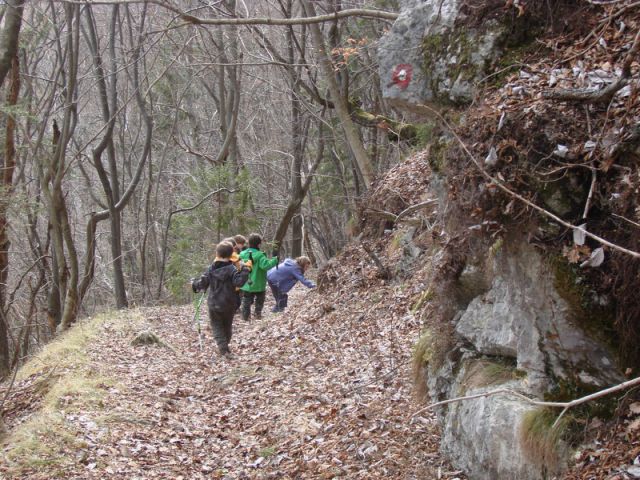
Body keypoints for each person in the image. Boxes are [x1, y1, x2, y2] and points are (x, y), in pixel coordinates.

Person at [191, 241, 250, 357]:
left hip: (214, 303)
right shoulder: (232, 269)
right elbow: (239, 282)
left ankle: (223, 348)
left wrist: (194, 284)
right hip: (229, 303)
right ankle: (225, 347)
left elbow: (203, 283)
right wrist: (245, 270)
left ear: (217, 254)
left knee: (217, 325)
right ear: (231, 254)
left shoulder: (211, 269)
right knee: (227, 325)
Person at [239, 233, 278, 321]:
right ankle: (257, 314)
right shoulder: (260, 255)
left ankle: (245, 317)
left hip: (246, 283)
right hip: (258, 283)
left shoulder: (242, 254)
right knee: (260, 300)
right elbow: (265, 266)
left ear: (248, 243)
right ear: (258, 244)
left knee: (246, 300)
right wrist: (275, 260)